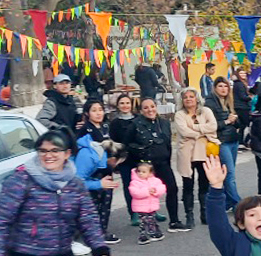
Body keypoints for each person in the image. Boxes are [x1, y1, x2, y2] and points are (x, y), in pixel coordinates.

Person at [128, 98, 184, 230]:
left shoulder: (164, 123)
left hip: (163, 163)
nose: (150, 110)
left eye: (152, 106)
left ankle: (174, 222)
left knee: (172, 188)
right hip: (145, 166)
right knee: (146, 194)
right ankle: (148, 226)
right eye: (146, 107)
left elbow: (168, 144)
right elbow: (127, 144)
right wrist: (140, 151)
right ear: (141, 110)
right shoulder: (135, 124)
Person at [72, 100, 121, 245]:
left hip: (106, 169)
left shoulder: (106, 126)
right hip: (91, 171)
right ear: (87, 113)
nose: (98, 113)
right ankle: (91, 233)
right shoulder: (85, 130)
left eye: (100, 109)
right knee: (91, 204)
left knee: (106, 202)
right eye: (94, 110)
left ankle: (101, 231)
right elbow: (83, 151)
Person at [173, 88, 217, 229]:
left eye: (191, 96)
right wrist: (201, 132)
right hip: (187, 153)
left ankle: (205, 214)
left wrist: (194, 126)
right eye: (185, 97)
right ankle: (189, 216)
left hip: (204, 152)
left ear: (197, 98)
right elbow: (183, 131)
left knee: (204, 184)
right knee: (188, 185)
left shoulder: (206, 111)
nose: (188, 99)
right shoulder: (179, 114)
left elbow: (213, 126)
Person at [205, 77, 244, 206]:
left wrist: (235, 120)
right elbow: (211, 125)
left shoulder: (229, 102)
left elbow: (238, 124)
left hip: (233, 139)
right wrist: (227, 121)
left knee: (228, 172)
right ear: (215, 88)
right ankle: (238, 204)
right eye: (220, 86)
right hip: (222, 141)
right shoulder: (210, 103)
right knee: (230, 174)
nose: (223, 89)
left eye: (226, 86)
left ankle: (228, 202)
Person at [109, 94, 142, 225]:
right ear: (118, 105)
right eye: (122, 103)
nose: (125, 106)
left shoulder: (139, 119)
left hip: (140, 158)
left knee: (145, 184)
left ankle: (151, 211)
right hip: (124, 159)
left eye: (127, 103)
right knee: (129, 186)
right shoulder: (114, 123)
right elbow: (114, 142)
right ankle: (133, 212)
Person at [127, 162, 166, 245]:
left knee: (150, 220)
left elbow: (162, 188)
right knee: (146, 221)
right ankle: (147, 234)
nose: (140, 173)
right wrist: (147, 191)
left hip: (152, 205)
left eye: (144, 172)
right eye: (139, 171)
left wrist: (155, 190)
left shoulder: (155, 181)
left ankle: (150, 233)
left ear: (150, 173)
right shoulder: (135, 182)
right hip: (141, 207)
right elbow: (135, 192)